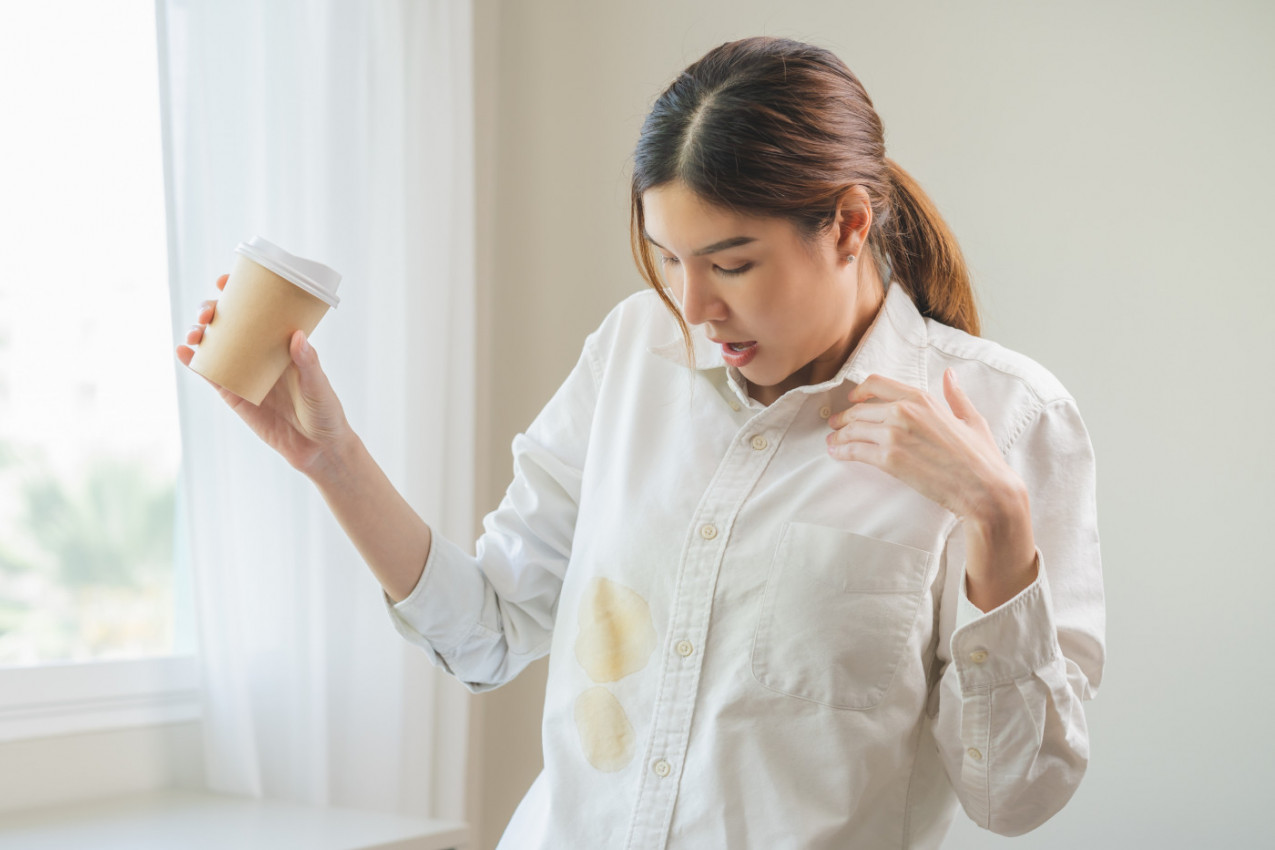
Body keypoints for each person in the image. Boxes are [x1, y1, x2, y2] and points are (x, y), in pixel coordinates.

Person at [177, 35, 1104, 850]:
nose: (696, 307)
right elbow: (489, 632)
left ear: (848, 225)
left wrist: (997, 517)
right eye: (668, 257)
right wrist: (328, 456)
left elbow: (1014, 795)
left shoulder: (1008, 416)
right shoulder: (634, 350)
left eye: (731, 264)